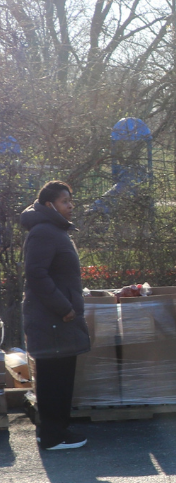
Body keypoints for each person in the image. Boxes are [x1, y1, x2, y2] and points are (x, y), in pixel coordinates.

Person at [20, 181, 91, 450]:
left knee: (59, 375)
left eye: (70, 200)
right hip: (53, 318)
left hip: (58, 318)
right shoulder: (44, 232)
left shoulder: (55, 230)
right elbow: (37, 275)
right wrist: (65, 308)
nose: (70, 206)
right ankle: (53, 436)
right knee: (54, 377)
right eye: (65, 201)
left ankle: (54, 431)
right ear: (50, 205)